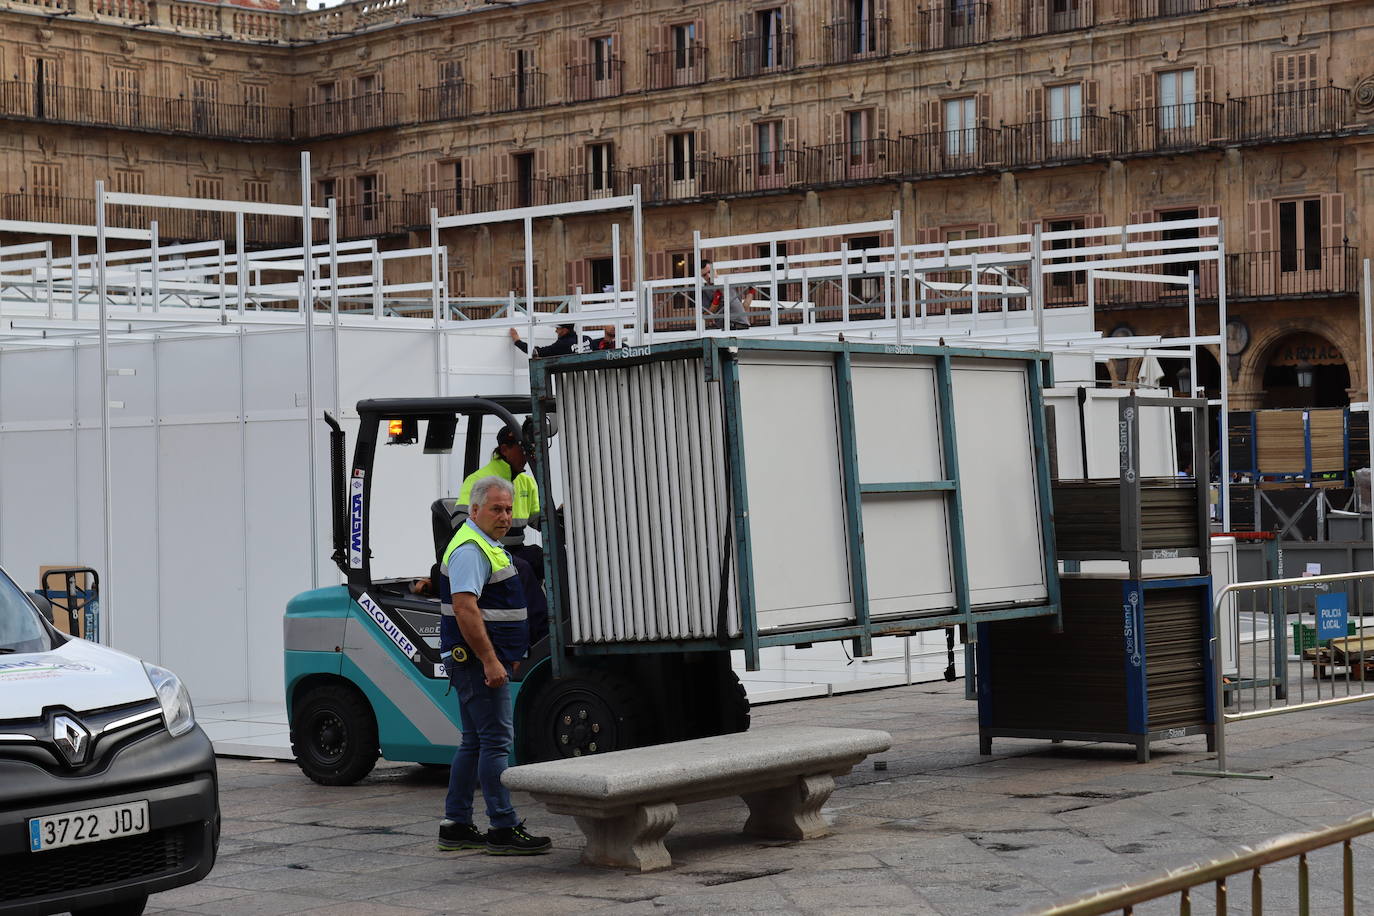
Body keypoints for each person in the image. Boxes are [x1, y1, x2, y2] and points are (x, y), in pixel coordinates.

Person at [437, 475, 552, 856]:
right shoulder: (471, 549)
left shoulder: (488, 545)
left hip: (475, 662)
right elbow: (465, 608)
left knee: (473, 742)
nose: (504, 516)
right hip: (478, 663)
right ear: (474, 510)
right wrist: (489, 661)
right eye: (496, 509)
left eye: (508, 509)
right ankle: (502, 826)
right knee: (495, 743)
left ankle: (455, 825)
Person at [458, 425, 548, 642]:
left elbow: (538, 519)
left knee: (544, 557)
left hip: (514, 549)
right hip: (485, 552)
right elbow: (460, 521)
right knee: (522, 568)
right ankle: (543, 636)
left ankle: (566, 619)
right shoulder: (480, 480)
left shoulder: (525, 481)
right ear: (505, 450)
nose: (527, 455)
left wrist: (560, 520)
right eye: (522, 448)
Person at [700, 260, 752, 331]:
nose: (708, 276)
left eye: (709, 272)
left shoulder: (729, 284)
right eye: (704, 275)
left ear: (715, 270)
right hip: (729, 326)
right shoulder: (706, 291)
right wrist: (715, 302)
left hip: (743, 325)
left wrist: (751, 292)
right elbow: (706, 317)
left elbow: (743, 307)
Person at [509, 323, 577, 358]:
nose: (556, 331)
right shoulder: (585, 339)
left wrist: (517, 341)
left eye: (557, 328)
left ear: (565, 330)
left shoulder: (563, 344)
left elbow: (538, 352)